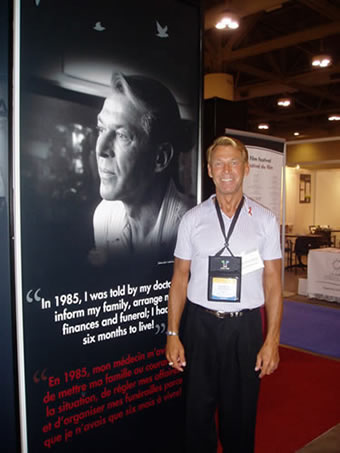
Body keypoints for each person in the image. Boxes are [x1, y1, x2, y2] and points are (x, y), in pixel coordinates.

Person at [166, 136, 282, 452]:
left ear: (245, 168)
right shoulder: (192, 220)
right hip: (199, 328)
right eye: (219, 163)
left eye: (233, 163)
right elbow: (179, 278)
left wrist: (271, 340)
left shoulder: (265, 220)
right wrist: (173, 333)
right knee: (196, 415)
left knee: (240, 416)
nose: (226, 170)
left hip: (244, 330)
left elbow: (273, 282)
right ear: (209, 170)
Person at [92, 72, 193, 265]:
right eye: (101, 129)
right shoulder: (103, 216)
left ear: (160, 158)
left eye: (122, 135)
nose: (100, 149)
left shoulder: (191, 229)